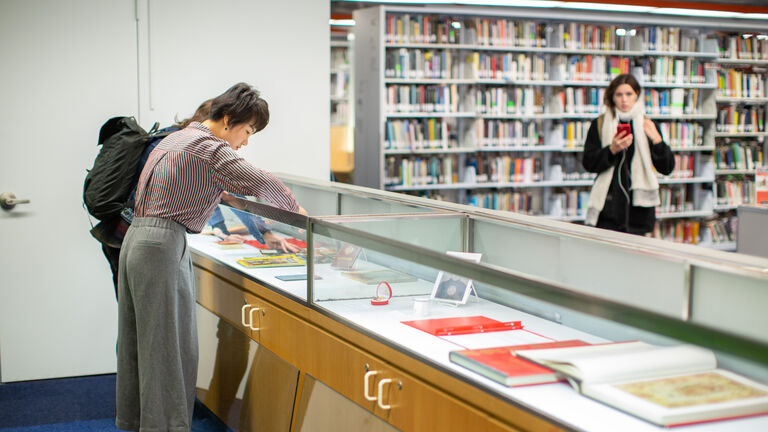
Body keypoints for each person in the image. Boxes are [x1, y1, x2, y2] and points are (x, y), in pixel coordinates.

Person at [116, 82, 307, 432]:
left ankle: (136, 423)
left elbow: (220, 191)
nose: (246, 141)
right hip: (161, 245)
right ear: (228, 119)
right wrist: (303, 219)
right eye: (247, 131)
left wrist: (258, 223)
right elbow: (260, 182)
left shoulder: (178, 138)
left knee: (140, 345)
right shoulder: (207, 145)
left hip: (140, 240)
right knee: (169, 349)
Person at [99, 101, 212, 297]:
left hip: (116, 232)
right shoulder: (179, 146)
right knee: (145, 311)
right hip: (133, 236)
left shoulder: (167, 135)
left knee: (133, 310)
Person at [582, 74, 675, 235]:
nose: (624, 100)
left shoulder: (649, 125)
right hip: (608, 211)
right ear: (612, 97)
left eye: (629, 94)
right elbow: (588, 163)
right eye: (619, 95)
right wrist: (611, 150)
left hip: (639, 213)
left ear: (637, 95)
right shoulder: (599, 124)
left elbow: (667, 168)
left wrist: (657, 140)